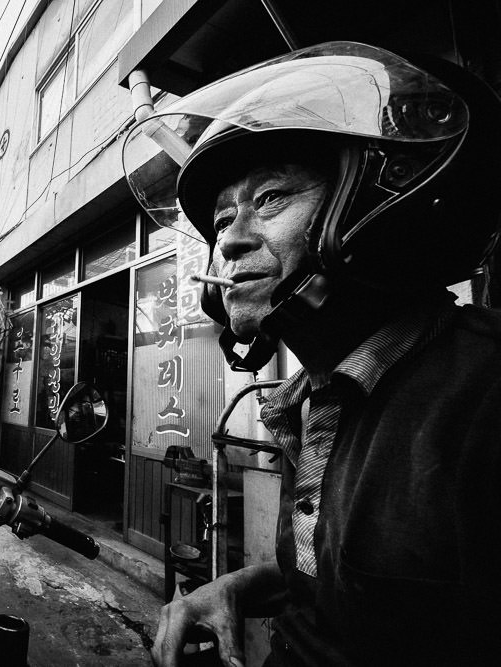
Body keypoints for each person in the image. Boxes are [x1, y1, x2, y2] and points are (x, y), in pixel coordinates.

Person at [124, 42, 501, 666]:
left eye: (271, 200)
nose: (232, 242)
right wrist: (234, 586)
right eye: (221, 220)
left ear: (364, 210)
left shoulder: (483, 395)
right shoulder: (312, 400)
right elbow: (341, 581)